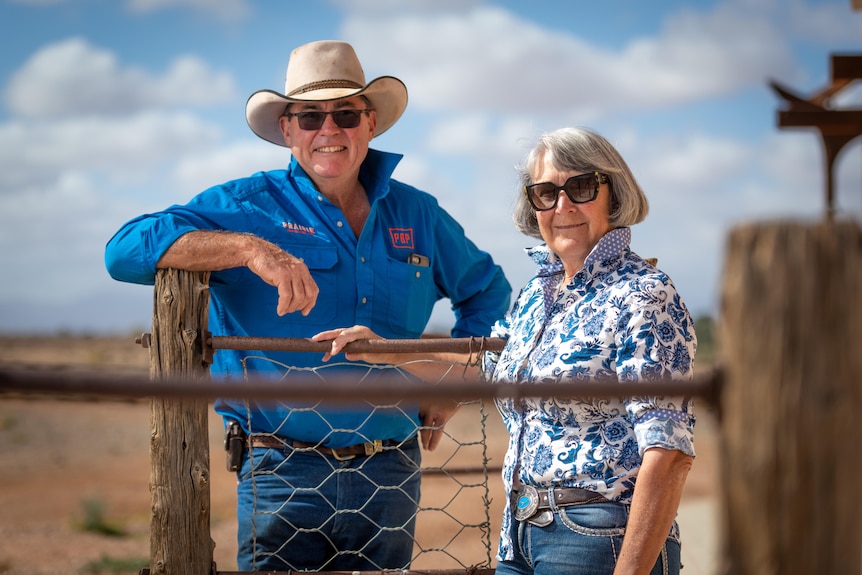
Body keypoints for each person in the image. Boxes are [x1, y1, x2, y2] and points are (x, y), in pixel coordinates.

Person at [104, 40, 511, 572]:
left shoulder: (419, 213)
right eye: (310, 116)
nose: (329, 130)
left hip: (390, 468)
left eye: (345, 114)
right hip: (280, 469)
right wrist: (249, 248)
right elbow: (123, 251)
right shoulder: (247, 207)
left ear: (369, 124)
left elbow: (488, 293)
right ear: (287, 129)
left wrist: (454, 383)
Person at [317, 127, 697, 575]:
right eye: (545, 192)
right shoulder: (539, 293)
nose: (563, 205)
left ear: (613, 193)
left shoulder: (644, 294)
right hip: (519, 536)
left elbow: (668, 454)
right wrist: (386, 351)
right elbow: (482, 367)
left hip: (598, 536)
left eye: (581, 187)